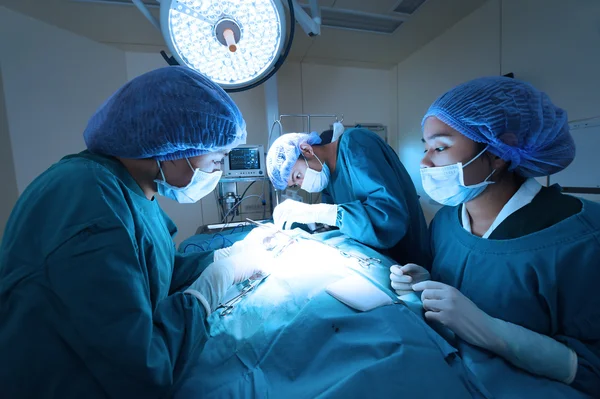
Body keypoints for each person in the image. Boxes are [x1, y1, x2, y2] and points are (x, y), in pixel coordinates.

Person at [0, 67, 268, 398]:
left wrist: (227, 257)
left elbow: (152, 272)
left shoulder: (125, 187)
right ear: (178, 143)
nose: (218, 167)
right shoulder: (91, 204)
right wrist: (208, 292)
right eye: (217, 155)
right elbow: (143, 369)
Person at [390, 76, 600, 397]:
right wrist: (425, 281)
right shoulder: (446, 221)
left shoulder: (581, 238)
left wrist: (494, 333)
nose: (425, 161)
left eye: (441, 147)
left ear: (500, 152)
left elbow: (592, 369)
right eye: (426, 147)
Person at [266, 127, 429, 266]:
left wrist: (317, 212)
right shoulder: (328, 179)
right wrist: (305, 227)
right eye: (295, 184)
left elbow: (390, 218)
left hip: (407, 261)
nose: (302, 185)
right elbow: (341, 227)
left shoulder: (356, 143)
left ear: (307, 150)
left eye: (298, 176)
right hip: (378, 263)